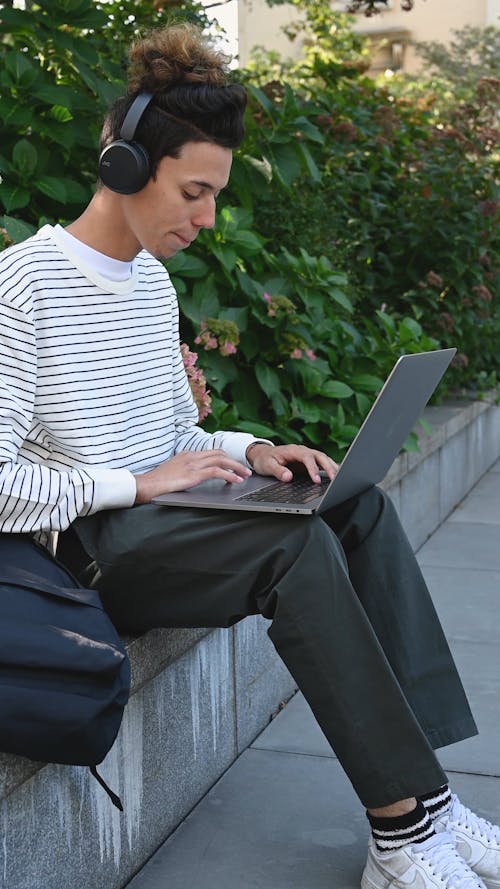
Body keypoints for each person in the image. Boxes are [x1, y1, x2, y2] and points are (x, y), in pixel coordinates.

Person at [0, 21, 499, 889]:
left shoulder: (150, 283)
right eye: (194, 191)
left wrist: (252, 449)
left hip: (160, 522)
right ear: (124, 167)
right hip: (87, 554)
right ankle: (400, 833)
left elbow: (171, 435)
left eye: (216, 195)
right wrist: (138, 483)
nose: (207, 217)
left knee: (353, 507)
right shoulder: (23, 286)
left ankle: (431, 801)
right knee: (293, 545)